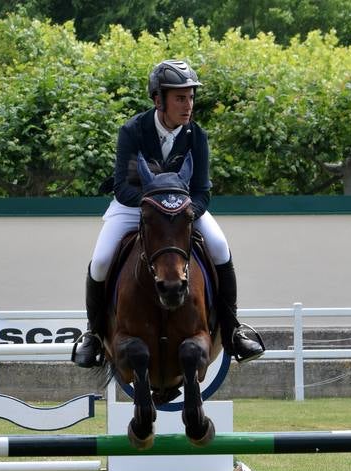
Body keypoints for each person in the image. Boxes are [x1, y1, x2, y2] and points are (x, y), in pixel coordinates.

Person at [73, 59, 265, 367]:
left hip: (183, 210)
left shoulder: (196, 136)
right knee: (101, 260)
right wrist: (157, 207)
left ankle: (232, 331)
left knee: (219, 247)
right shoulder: (133, 131)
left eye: (190, 97)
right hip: (134, 207)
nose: (188, 105)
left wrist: (185, 210)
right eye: (180, 97)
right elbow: (122, 187)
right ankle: (94, 335)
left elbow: (202, 192)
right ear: (158, 99)